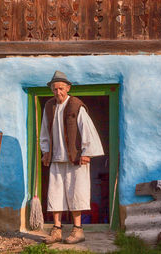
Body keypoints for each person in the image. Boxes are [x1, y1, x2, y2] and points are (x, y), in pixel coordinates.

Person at [40, 70, 104, 244]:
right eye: (54, 89)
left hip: (76, 158)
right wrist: (45, 151)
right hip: (56, 158)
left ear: (68, 88)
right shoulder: (49, 107)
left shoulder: (76, 105)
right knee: (55, 193)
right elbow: (44, 131)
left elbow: (87, 129)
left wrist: (87, 153)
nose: (58, 92)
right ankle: (57, 230)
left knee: (77, 192)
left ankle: (78, 230)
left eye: (61, 88)